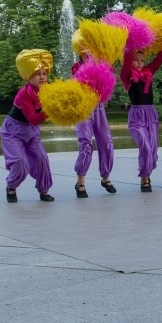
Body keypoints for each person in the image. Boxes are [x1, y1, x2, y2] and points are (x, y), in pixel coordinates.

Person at [0, 49, 55, 203]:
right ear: (29, 75)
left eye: (45, 73)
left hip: (31, 133)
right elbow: (33, 118)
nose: (42, 77)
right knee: (20, 162)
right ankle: (11, 186)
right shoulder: (24, 94)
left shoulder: (48, 90)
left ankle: (44, 190)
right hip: (13, 132)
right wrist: (51, 109)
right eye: (38, 74)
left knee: (42, 158)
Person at [71, 31, 115, 198]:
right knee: (85, 143)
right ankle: (80, 180)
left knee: (106, 142)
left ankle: (105, 177)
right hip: (84, 109)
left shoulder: (102, 63)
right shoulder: (76, 67)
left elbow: (109, 79)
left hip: (99, 107)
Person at [120, 48, 162, 192]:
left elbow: (161, 57)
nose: (140, 63)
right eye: (136, 60)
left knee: (152, 148)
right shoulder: (126, 75)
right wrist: (131, 41)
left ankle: (147, 174)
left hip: (151, 115)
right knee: (145, 145)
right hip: (136, 117)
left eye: (142, 60)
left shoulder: (149, 72)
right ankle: (144, 179)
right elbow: (128, 58)